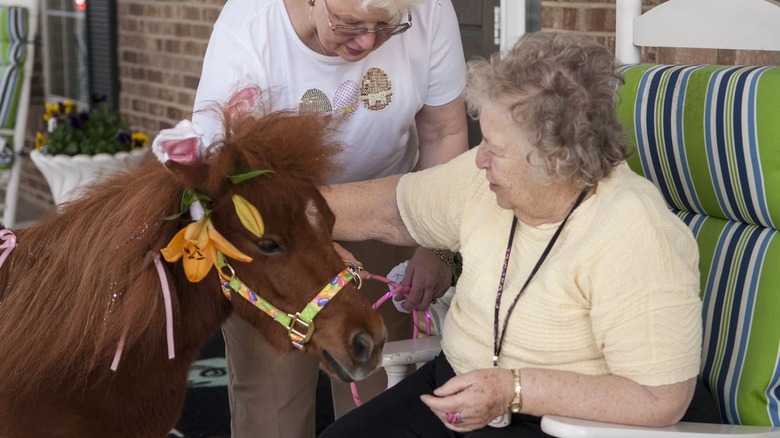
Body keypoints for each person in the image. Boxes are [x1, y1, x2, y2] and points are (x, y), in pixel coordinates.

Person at [319, 32, 703, 437]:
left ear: (555, 158)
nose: (479, 159)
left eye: (495, 148)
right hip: (459, 390)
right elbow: (391, 211)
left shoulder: (634, 230)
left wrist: (513, 390)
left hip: (563, 422)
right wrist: (284, 209)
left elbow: (661, 398)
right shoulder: (486, 183)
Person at [187, 0, 469, 436]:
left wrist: (436, 243)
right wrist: (314, 247)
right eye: (350, 24)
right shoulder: (249, 27)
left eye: (387, 26)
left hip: (385, 214)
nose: (368, 42)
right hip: (276, 234)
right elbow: (225, 176)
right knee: (273, 406)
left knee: (381, 392)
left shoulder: (428, 8)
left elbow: (442, 131)